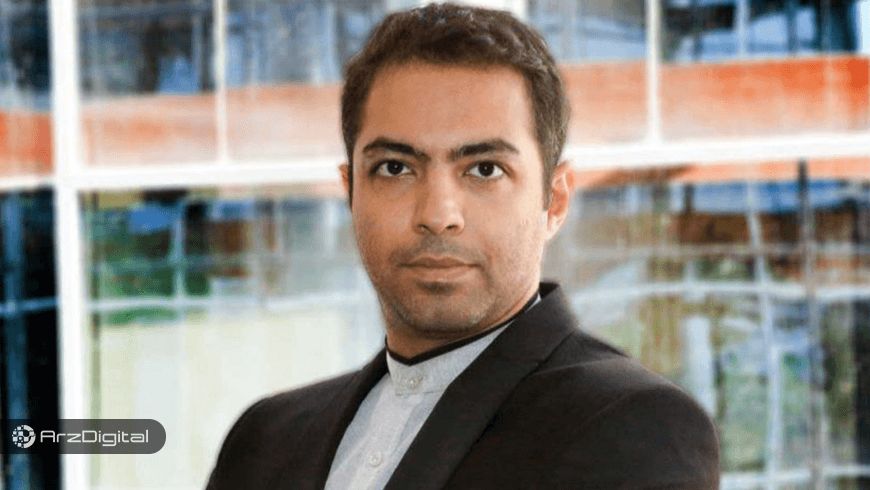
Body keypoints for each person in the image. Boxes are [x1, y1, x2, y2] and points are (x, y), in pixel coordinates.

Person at [206, 3, 720, 489]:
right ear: (351, 191)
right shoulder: (265, 439)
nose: (437, 215)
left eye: (485, 169)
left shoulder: (634, 424)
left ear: (555, 201)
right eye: (395, 168)